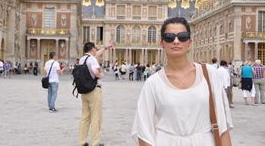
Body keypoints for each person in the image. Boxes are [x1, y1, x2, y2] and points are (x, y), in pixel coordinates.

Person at [132, 17, 232, 146]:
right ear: (162, 43)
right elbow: (144, 133)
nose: (176, 41)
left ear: (190, 42)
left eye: (182, 36)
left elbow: (222, 127)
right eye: (169, 37)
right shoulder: (153, 83)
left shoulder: (210, 75)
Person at [78, 41, 113, 146]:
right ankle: (95, 143)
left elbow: (97, 54)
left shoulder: (82, 59)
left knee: (85, 117)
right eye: (95, 48)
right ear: (92, 49)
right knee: (96, 117)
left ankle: (81, 142)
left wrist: (106, 47)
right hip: (94, 90)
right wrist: (102, 74)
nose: (96, 50)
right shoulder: (92, 59)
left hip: (84, 91)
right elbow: (96, 72)